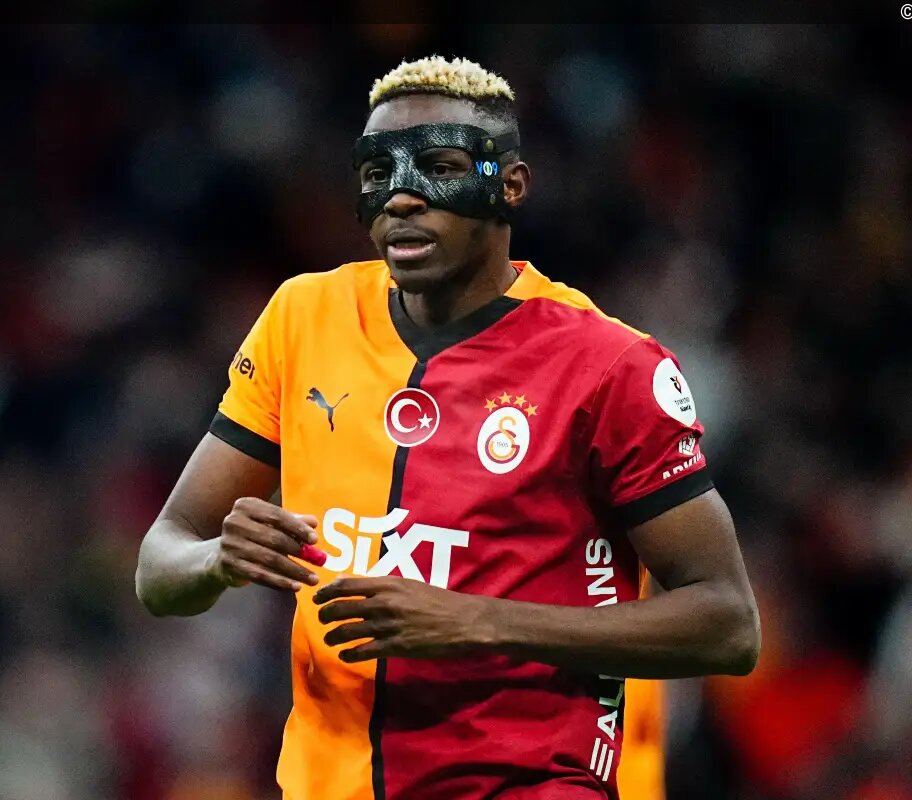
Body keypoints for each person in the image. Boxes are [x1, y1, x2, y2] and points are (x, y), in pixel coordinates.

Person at [135, 55, 760, 800]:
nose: (402, 197)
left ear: (510, 185)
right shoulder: (302, 320)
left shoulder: (608, 365)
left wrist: (478, 621)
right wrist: (217, 562)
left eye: (437, 168)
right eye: (378, 173)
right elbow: (160, 565)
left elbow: (728, 624)